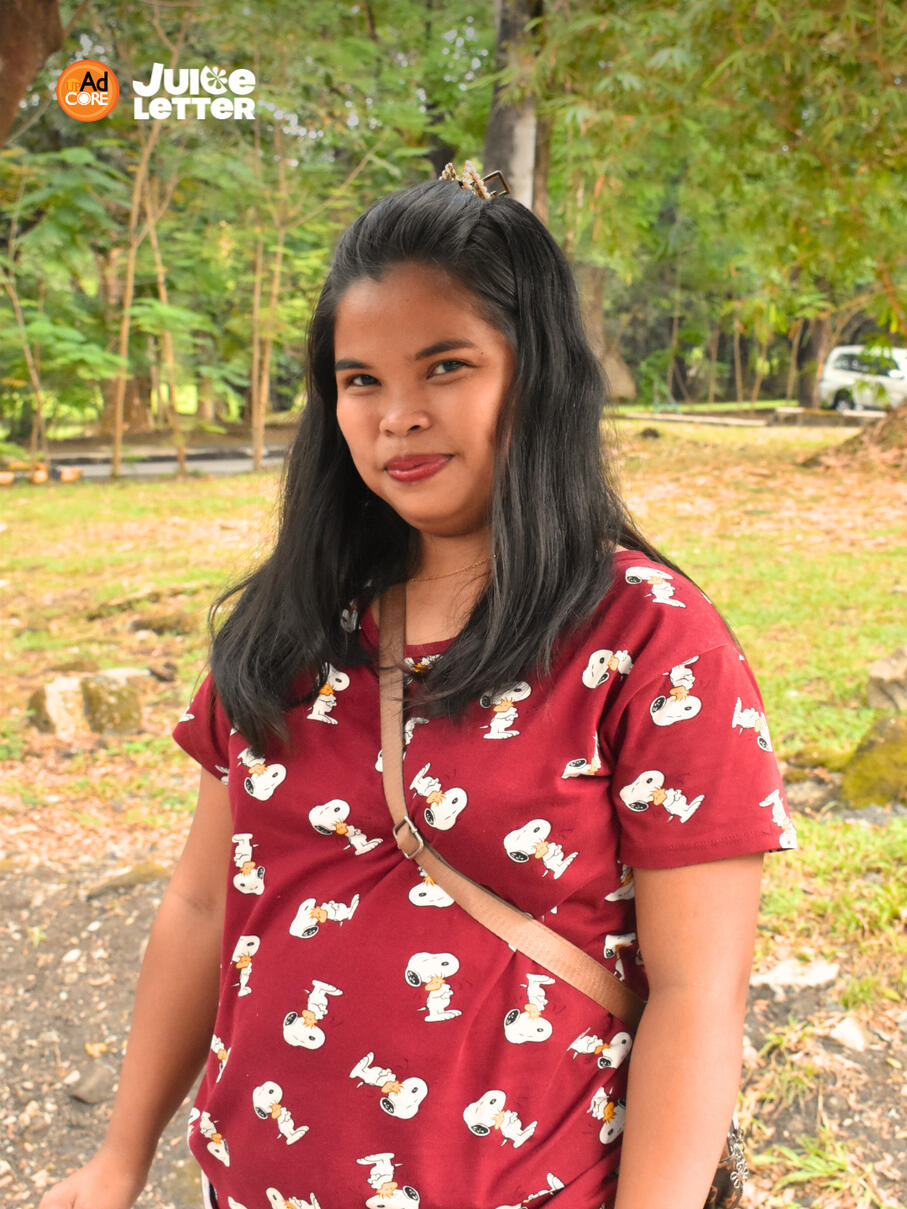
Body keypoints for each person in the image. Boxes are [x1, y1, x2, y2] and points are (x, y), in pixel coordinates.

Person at [40, 166, 795, 1209]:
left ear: (538, 374)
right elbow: (204, 903)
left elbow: (695, 996)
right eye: (360, 380)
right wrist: (119, 1157)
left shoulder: (650, 642)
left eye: (446, 366)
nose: (397, 416)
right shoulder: (290, 629)